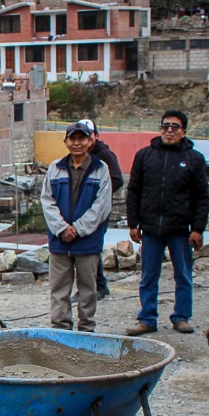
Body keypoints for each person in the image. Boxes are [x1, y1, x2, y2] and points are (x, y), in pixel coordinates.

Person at [125, 109, 209, 336]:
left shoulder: (194, 159)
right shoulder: (145, 156)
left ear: (183, 131)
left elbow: (202, 196)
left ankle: (181, 317)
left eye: (175, 127)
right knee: (148, 276)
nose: (169, 131)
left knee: (183, 274)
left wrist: (198, 228)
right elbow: (133, 190)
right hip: (151, 228)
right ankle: (147, 318)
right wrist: (133, 223)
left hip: (181, 229)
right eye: (165, 126)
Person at [41, 121, 113, 333]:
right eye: (73, 139)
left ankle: (86, 331)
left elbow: (102, 205)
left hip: (87, 242)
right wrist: (62, 228)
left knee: (88, 289)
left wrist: (79, 229)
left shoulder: (100, 169)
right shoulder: (55, 168)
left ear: (90, 141)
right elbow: (47, 201)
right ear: (66, 142)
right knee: (59, 290)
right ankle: (61, 331)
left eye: (81, 138)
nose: (77, 143)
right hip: (59, 241)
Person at [81, 118, 120, 300]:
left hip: (98, 210)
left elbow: (117, 179)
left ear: (95, 136)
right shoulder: (79, 156)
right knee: (82, 249)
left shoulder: (104, 155)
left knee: (93, 247)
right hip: (81, 209)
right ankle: (89, 286)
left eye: (88, 136)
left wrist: (99, 194)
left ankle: (99, 286)